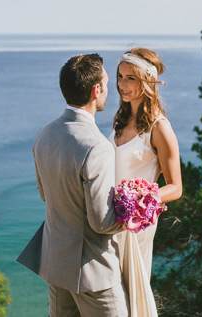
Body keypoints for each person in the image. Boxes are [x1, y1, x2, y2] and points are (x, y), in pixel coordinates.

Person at [17, 53, 129, 317]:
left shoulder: (44, 134)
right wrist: (134, 213)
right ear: (95, 90)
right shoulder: (96, 146)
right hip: (93, 272)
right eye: (106, 83)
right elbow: (102, 222)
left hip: (55, 265)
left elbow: (45, 194)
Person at [109, 47, 183, 316]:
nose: (121, 85)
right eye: (119, 76)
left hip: (135, 224)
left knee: (130, 295)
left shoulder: (160, 127)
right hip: (108, 220)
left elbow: (176, 187)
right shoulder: (120, 119)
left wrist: (140, 199)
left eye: (130, 78)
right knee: (109, 293)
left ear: (147, 82)